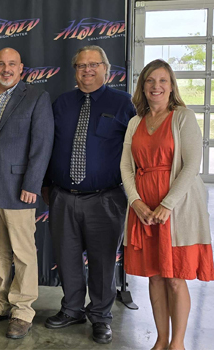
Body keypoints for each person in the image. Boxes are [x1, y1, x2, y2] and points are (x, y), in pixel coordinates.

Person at [42, 45, 135, 344]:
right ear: (75, 70)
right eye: (81, 66)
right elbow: (46, 145)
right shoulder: (62, 103)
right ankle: (71, 309)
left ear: (107, 69)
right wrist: (45, 185)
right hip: (63, 196)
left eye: (94, 64)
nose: (87, 70)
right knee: (67, 258)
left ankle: (100, 316)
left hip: (106, 198)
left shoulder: (123, 103)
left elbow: (136, 151)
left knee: (103, 261)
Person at [120, 59, 214, 350]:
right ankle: (161, 340)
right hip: (143, 208)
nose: (155, 86)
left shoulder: (183, 117)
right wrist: (135, 201)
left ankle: (178, 343)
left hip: (177, 209)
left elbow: (191, 166)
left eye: (162, 81)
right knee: (155, 277)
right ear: (143, 86)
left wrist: (167, 204)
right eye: (150, 81)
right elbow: (125, 166)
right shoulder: (135, 122)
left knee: (174, 278)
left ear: (171, 86)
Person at [0, 47, 54, 339]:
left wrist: (32, 184)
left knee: (23, 253)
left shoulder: (35, 97)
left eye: (12, 64)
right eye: (1, 64)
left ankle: (23, 310)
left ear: (22, 68)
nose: (6, 69)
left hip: (20, 189)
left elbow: (42, 144)